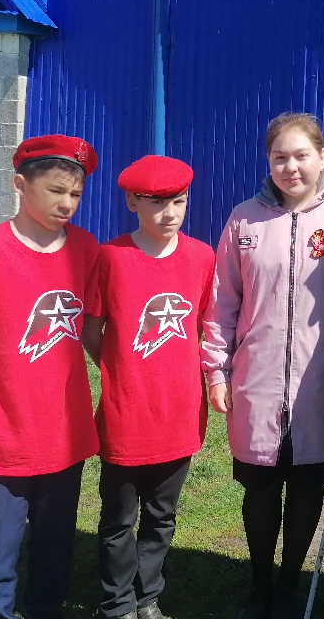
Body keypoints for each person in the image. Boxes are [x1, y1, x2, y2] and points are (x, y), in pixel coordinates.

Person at [203, 112, 324, 619]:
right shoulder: (244, 220)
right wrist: (216, 370)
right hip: (258, 379)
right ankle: (260, 585)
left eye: (301, 156)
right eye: (280, 157)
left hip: (321, 382)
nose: (290, 167)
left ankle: (290, 584)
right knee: (259, 488)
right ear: (268, 161)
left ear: (322, 157)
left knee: (306, 487)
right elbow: (223, 301)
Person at [0, 135, 102, 619]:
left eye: (76, 193)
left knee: (55, 545)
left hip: (64, 429)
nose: (67, 203)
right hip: (3, 429)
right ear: (20, 185)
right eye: (56, 190)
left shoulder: (85, 249)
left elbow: (91, 328)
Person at [82, 156, 217, 619]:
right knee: (119, 518)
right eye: (157, 203)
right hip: (126, 413)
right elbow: (92, 330)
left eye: (178, 201)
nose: (170, 213)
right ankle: (116, 602)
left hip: (179, 410)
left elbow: (206, 326)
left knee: (162, 514)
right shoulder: (111, 257)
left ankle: (148, 597)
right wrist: (122, 370)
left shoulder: (201, 257)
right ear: (132, 202)